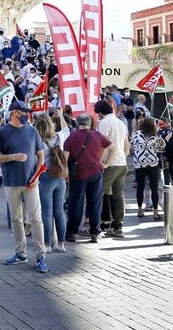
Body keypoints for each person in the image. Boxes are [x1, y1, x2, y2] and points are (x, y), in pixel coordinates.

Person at [0, 100, 48, 272]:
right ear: (14, 112)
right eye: (24, 112)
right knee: (16, 219)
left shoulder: (32, 130)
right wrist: (13, 157)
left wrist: (37, 175)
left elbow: (40, 155)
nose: (27, 115)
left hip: (31, 182)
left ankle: (41, 255)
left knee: (36, 218)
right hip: (11, 181)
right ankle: (20, 252)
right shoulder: (3, 132)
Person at [64, 113, 109, 243]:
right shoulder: (97, 135)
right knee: (94, 203)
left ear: (77, 123)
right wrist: (105, 163)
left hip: (78, 174)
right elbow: (112, 148)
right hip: (95, 172)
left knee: (76, 203)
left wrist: (66, 171)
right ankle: (95, 232)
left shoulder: (72, 136)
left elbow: (65, 155)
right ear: (89, 123)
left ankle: (72, 232)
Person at [95, 98, 130, 238]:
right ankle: (118, 226)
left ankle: (95, 226)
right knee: (118, 196)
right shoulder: (121, 123)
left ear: (100, 113)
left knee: (97, 194)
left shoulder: (104, 123)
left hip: (110, 164)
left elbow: (103, 145)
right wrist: (123, 157)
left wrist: (102, 162)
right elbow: (127, 145)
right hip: (122, 163)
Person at [33, 113, 67, 253]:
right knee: (59, 212)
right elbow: (66, 128)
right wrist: (60, 115)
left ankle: (47, 245)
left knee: (46, 213)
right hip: (60, 177)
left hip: (45, 176)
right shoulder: (59, 137)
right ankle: (61, 244)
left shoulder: (37, 141)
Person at [131, 117, 164, 220]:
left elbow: (132, 146)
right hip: (152, 163)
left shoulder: (136, 134)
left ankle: (140, 209)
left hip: (139, 163)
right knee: (154, 188)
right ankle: (155, 211)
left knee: (140, 187)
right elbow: (161, 147)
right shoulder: (154, 135)